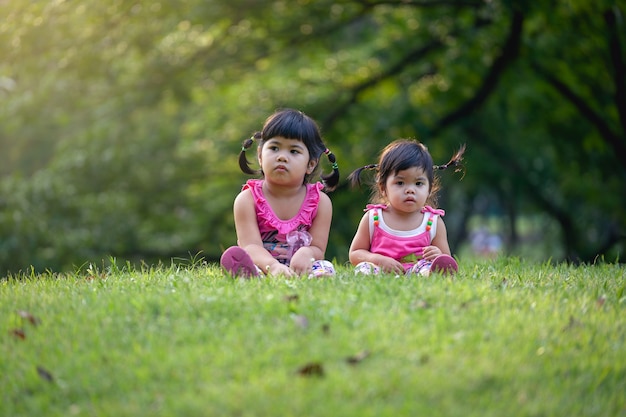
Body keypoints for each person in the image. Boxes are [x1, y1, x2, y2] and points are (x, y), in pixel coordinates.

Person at [220, 108, 340, 278]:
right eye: (275, 148)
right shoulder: (247, 200)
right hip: (264, 264)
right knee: (249, 261)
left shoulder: (321, 202)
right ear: (260, 156)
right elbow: (251, 246)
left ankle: (313, 279)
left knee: (324, 266)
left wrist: (307, 253)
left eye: (294, 151)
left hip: (301, 266)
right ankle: (252, 276)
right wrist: (273, 266)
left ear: (310, 164)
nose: (282, 157)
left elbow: (318, 248)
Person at [348, 139, 465, 276]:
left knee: (428, 269)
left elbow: (446, 259)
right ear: (383, 187)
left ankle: (428, 276)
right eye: (400, 183)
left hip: (417, 270)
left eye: (418, 183)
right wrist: (378, 260)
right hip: (380, 270)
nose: (410, 190)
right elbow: (355, 253)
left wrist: (437, 255)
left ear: (430, 188)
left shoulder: (433, 222)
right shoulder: (374, 218)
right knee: (364, 268)